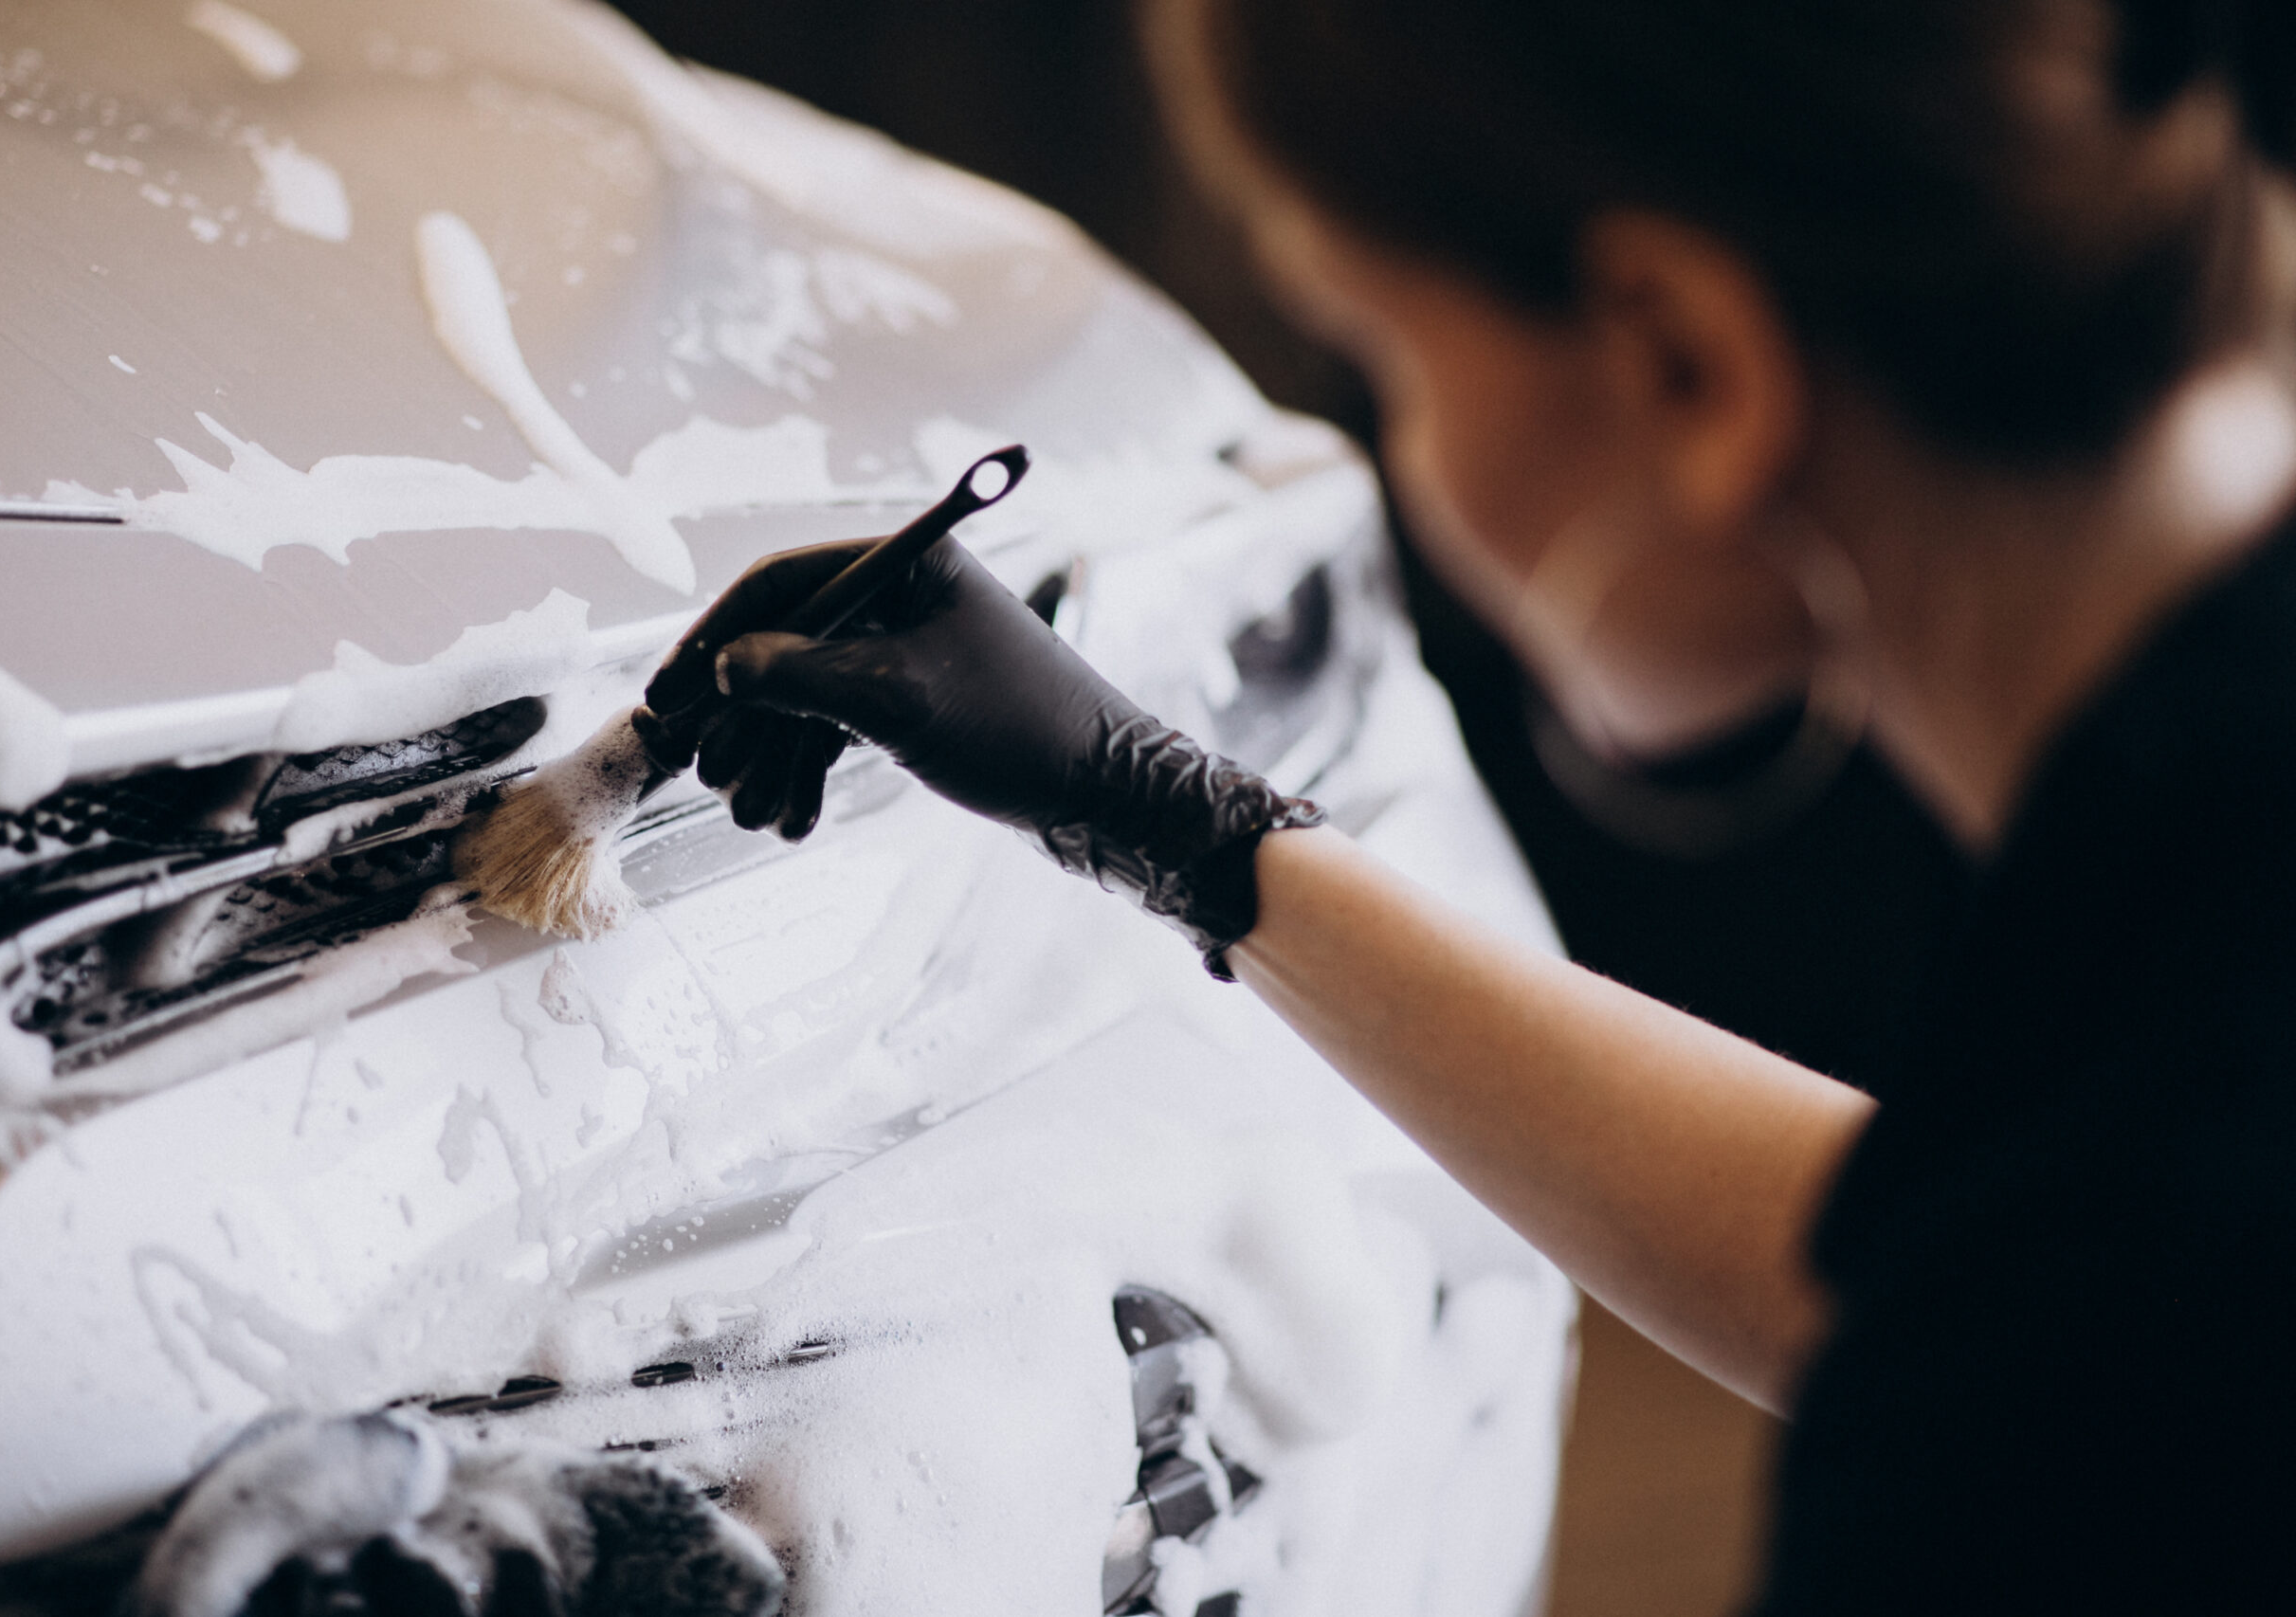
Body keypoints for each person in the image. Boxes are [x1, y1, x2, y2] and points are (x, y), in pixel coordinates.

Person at [629, 1, 2296, 1608]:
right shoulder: (2164, 1067)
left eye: (1385, 361)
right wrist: (1171, 821)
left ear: (1682, 362)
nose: (1405, 463)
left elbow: (2034, 1321)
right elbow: (1916, 1258)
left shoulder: (2086, 1353)